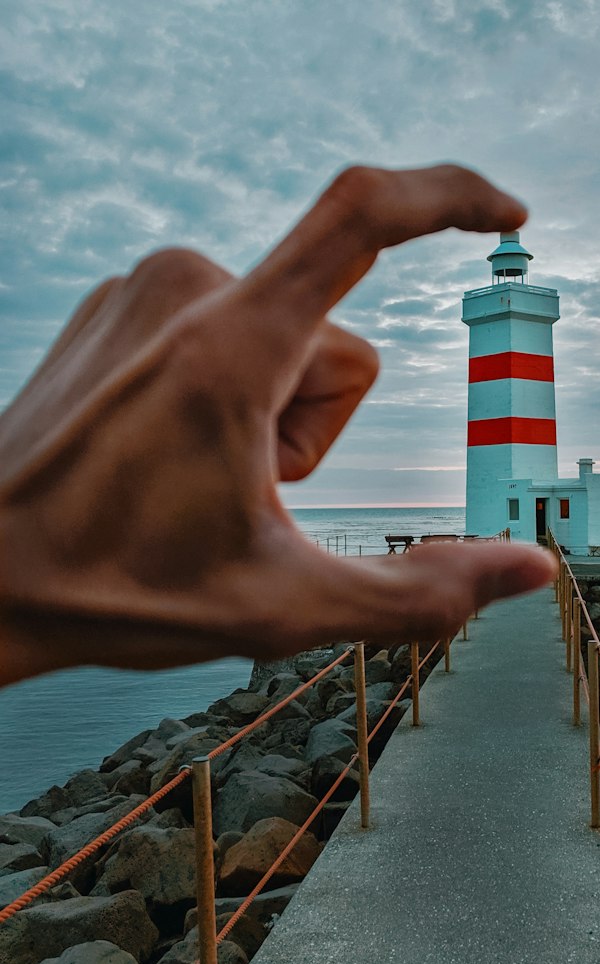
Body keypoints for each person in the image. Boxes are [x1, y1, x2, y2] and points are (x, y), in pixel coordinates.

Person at [0, 165, 557, 687]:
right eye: (507, 271)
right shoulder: (509, 309)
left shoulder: (504, 311)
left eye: (511, 271)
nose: (509, 277)